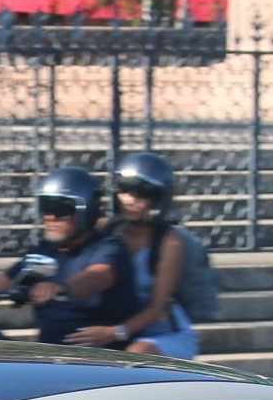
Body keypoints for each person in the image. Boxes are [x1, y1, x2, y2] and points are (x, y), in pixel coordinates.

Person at [0, 166, 137, 344]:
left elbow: (97, 277)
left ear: (85, 211)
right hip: (50, 351)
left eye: (60, 210)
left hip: (97, 356)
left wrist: (59, 287)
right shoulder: (44, 250)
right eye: (46, 207)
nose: (49, 217)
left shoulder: (108, 247)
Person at [72, 152, 203, 358]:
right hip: (116, 323)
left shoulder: (170, 242)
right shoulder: (105, 229)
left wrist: (114, 332)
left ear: (159, 198)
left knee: (135, 354)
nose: (131, 200)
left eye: (143, 193)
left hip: (162, 331)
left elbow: (156, 307)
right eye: (125, 190)